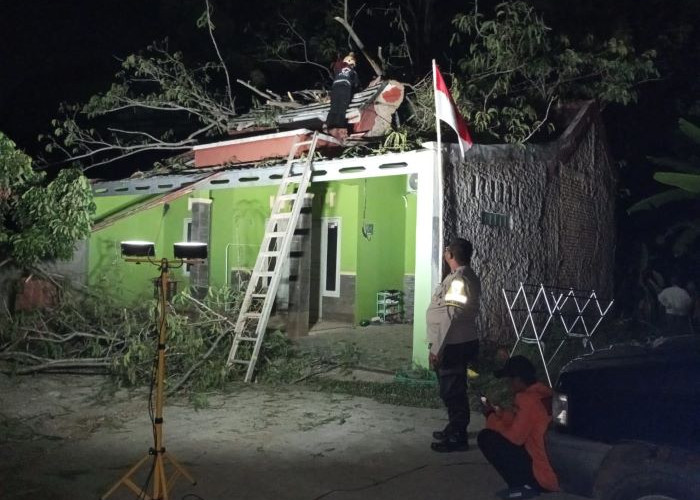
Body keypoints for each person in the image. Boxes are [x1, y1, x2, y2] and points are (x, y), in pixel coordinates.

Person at [477, 356, 559, 499]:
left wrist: (491, 417)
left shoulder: (526, 399)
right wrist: (501, 414)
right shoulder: (545, 394)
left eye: (510, 380)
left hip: (543, 476)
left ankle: (523, 486)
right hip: (556, 469)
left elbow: (514, 438)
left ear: (518, 380)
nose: (509, 385)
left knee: (487, 438)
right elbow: (523, 422)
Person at [427, 238, 480, 452]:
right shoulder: (460, 277)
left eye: (446, 251)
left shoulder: (459, 280)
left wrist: (436, 348)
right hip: (457, 341)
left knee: (452, 391)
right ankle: (454, 427)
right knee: (453, 388)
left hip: (453, 343)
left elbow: (452, 313)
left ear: (450, 255)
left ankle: (458, 437)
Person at [325, 52, 359, 143]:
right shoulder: (353, 72)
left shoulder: (339, 68)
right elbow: (355, 84)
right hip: (345, 88)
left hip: (335, 87)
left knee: (334, 106)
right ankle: (339, 128)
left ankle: (329, 125)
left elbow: (335, 69)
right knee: (342, 107)